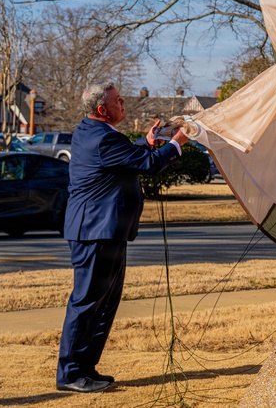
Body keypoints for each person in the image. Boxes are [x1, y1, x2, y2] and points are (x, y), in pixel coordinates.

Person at [56, 81, 188, 393]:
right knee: (88, 302)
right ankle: (71, 374)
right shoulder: (101, 139)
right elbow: (150, 165)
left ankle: (86, 368)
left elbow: (127, 158)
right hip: (95, 232)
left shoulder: (96, 132)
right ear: (103, 110)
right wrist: (178, 143)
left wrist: (148, 141)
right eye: (118, 100)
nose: (124, 102)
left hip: (106, 231)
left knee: (105, 303)